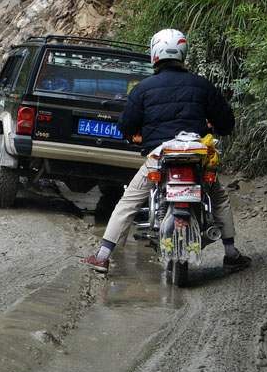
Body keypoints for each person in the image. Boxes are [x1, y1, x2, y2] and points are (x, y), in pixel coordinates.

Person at [80, 29, 251, 273]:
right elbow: (226, 123)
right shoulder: (202, 85)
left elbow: (126, 126)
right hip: (197, 157)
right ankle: (231, 253)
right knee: (219, 198)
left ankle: (103, 256)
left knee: (128, 202)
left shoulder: (143, 89)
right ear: (183, 53)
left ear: (155, 54)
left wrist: (134, 134)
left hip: (160, 158)